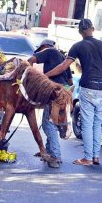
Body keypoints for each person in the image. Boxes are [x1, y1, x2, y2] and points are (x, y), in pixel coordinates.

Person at [45, 18, 102, 166]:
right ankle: (95, 157)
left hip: (88, 87)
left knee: (87, 123)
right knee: (97, 123)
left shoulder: (77, 46)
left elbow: (63, 66)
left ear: (80, 32)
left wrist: (45, 76)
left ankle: (87, 158)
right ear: (93, 29)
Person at [27, 39, 73, 168]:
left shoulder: (48, 50)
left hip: (55, 92)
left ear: (44, 47)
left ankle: (55, 156)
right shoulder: (63, 58)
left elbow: (31, 60)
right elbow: (69, 81)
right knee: (53, 122)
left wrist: (34, 77)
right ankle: (47, 151)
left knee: (48, 124)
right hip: (64, 91)